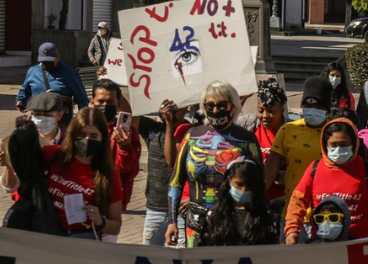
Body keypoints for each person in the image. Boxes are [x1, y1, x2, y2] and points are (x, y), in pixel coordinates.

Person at [166, 82, 262, 248]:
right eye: (210, 105)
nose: (216, 110)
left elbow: (259, 184)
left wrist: (258, 221)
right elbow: (176, 181)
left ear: (233, 106)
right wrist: (171, 221)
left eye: (221, 105)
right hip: (195, 223)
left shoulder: (247, 140)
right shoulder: (192, 136)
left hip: (233, 220)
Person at [285, 117, 368, 243]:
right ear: (325, 144)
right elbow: (297, 202)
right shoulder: (314, 170)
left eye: (343, 144)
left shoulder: (367, 170)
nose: (338, 149)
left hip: (360, 243)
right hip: (323, 244)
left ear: (354, 144)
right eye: (333, 144)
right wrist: (292, 231)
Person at [44, 107, 123, 240]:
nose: (87, 140)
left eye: (93, 136)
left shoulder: (108, 173)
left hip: (82, 239)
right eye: (81, 135)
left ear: (102, 138)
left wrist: (100, 222)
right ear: (72, 134)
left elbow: (115, 226)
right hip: (47, 233)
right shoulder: (53, 154)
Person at [264, 77, 331, 224]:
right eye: (307, 104)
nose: (312, 109)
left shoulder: (335, 132)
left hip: (328, 217)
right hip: (293, 215)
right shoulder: (288, 130)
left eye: (318, 106)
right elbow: (270, 170)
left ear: (327, 109)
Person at [135, 99, 186, 246]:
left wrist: (170, 125)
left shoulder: (193, 131)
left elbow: (172, 161)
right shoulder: (152, 129)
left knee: (181, 260)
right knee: (150, 259)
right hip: (155, 208)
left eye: (175, 108)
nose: (170, 110)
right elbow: (129, 113)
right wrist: (116, 78)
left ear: (186, 109)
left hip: (181, 209)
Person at [2, 122, 64, 235]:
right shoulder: (19, 144)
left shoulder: (63, 145)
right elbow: (9, 186)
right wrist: (7, 165)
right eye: (36, 113)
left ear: (58, 115)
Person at [199, 159, 279, 246]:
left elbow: (271, 250)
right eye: (239, 184)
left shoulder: (264, 216)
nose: (244, 190)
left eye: (249, 186)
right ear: (229, 181)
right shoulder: (214, 215)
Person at [90, 78, 141, 210]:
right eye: (100, 101)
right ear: (92, 102)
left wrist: (125, 147)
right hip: (85, 196)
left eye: (110, 102)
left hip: (112, 200)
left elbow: (129, 172)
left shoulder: (127, 133)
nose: (105, 105)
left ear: (118, 105)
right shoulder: (83, 129)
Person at [15, 43, 89, 125]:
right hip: (38, 121)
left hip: (61, 122)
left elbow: (82, 100)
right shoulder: (33, 71)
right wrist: (21, 101)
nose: (47, 64)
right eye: (44, 61)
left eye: (50, 61)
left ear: (58, 57)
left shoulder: (70, 74)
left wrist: (82, 121)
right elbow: (24, 91)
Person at [248, 78, 289, 208]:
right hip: (255, 199)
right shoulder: (249, 126)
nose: (265, 116)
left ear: (282, 109)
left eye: (271, 111)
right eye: (261, 110)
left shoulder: (292, 131)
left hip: (283, 199)